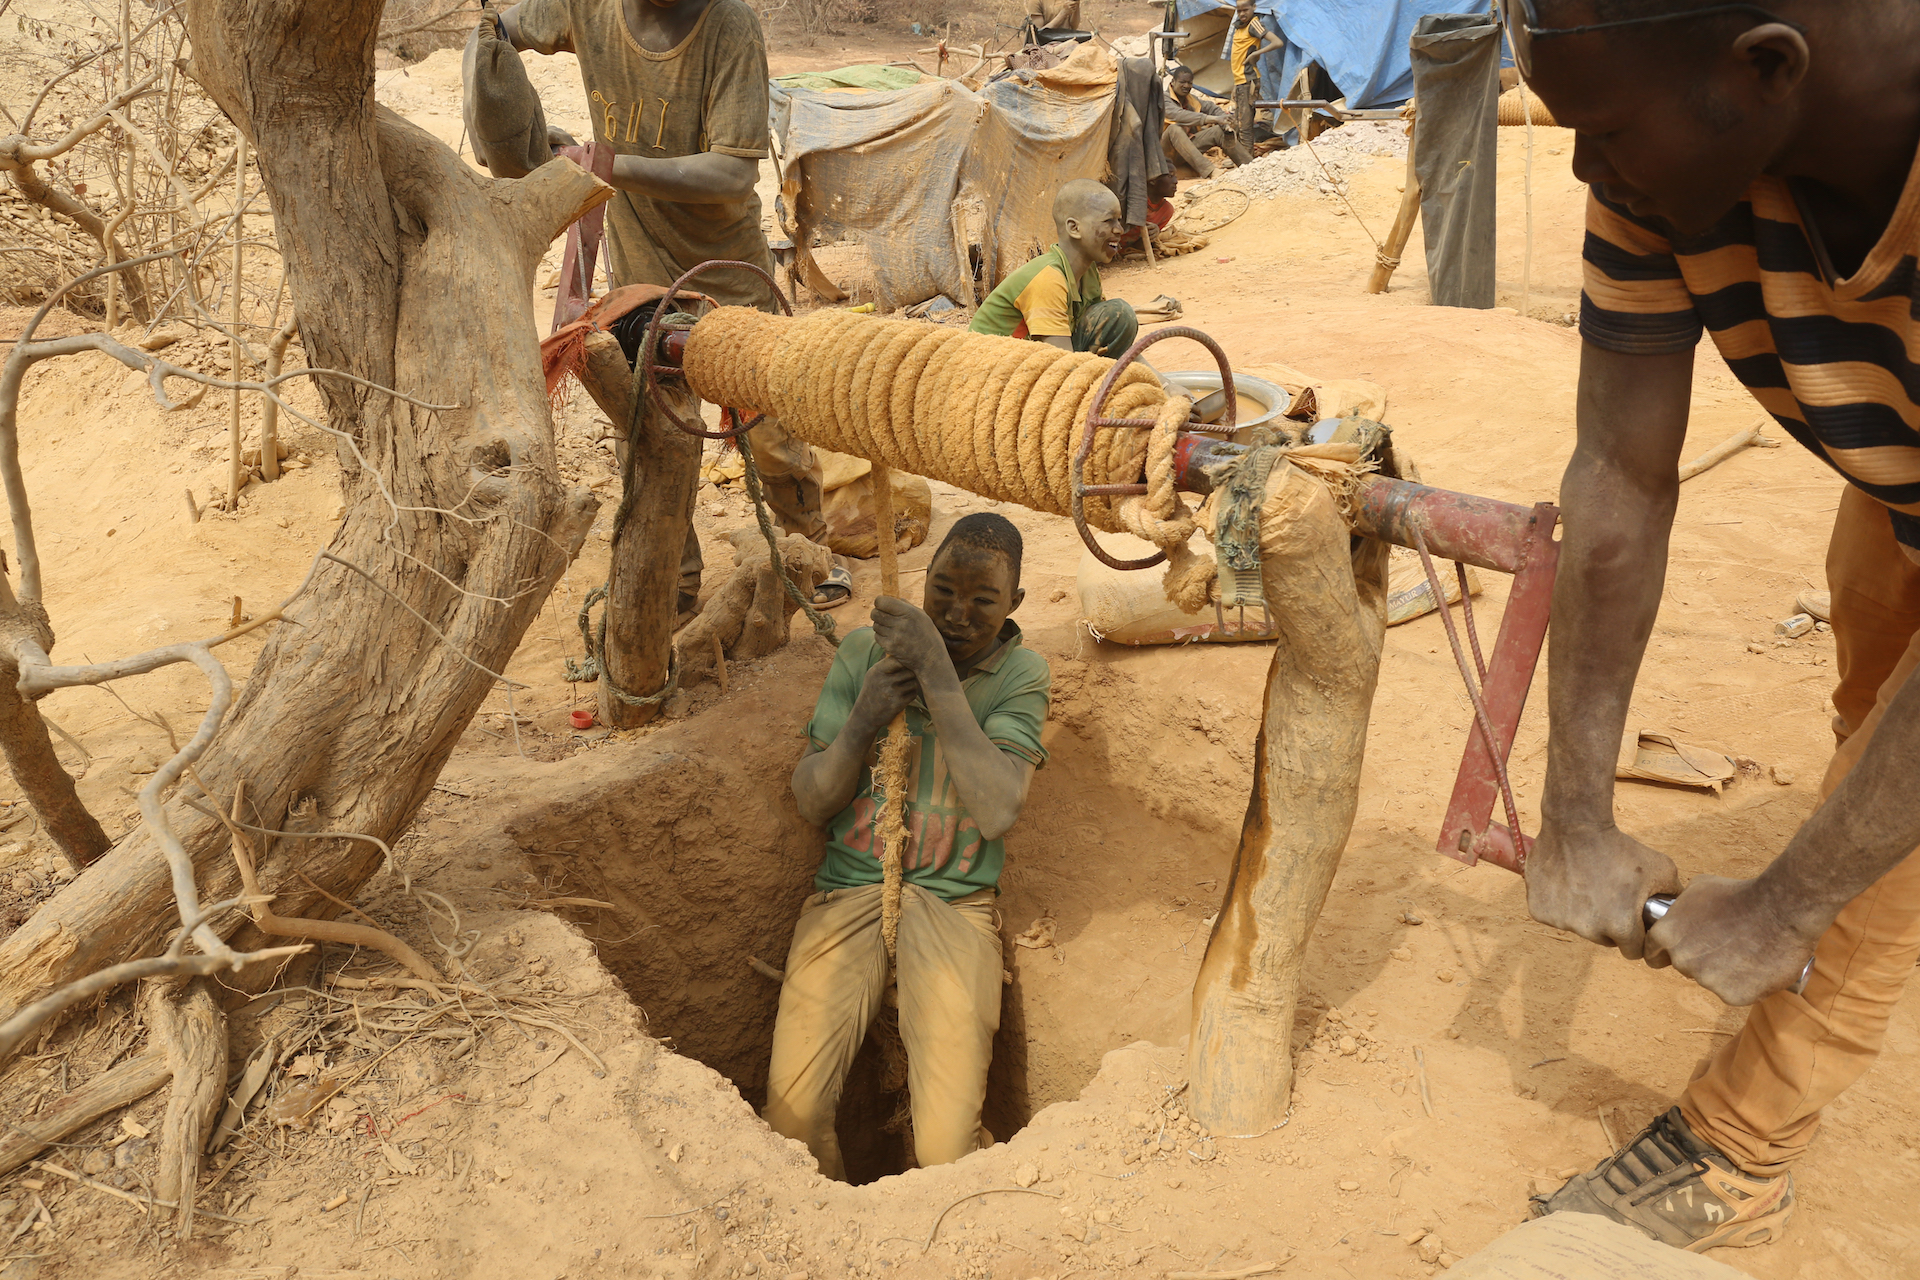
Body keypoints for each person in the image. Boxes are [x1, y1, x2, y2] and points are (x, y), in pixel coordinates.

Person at [1509, 0, 1920, 1254]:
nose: (1583, 165)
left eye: (1607, 130)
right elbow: (1620, 474)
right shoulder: (1666, 154)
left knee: (1870, 834)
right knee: (1878, 732)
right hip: (1896, 490)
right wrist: (1576, 811)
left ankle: (1740, 1149)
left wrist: (1792, 900)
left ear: (1767, 68)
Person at [494, 0, 854, 610]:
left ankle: (809, 549)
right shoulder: (588, 10)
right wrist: (497, 85)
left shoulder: (728, 28)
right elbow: (501, 27)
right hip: (640, 280)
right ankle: (674, 578)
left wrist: (605, 166)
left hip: (725, 276)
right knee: (648, 433)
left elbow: (732, 176)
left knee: (766, 427)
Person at [762, 513, 1050, 1178]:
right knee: (791, 1126)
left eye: (983, 601)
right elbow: (811, 798)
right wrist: (863, 718)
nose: (956, 614)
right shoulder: (864, 653)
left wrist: (936, 678)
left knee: (946, 1152)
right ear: (922, 583)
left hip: (954, 904)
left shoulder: (1021, 675)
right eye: (943, 591)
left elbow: (997, 805)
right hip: (851, 889)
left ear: (1015, 606)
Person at [968, 179, 1138, 356]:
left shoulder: (1088, 274)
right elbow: (1061, 364)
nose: (1119, 229)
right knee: (1119, 314)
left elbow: (1121, 348)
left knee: (1117, 318)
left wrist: (1160, 382)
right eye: (1109, 221)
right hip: (991, 368)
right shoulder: (1048, 279)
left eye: (1119, 220)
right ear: (1074, 228)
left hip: (1025, 361)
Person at [1162, 64, 1253, 178]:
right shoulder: (1163, 98)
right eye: (1182, 82)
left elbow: (1211, 107)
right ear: (1173, 82)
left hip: (1185, 150)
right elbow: (1179, 115)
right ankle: (1210, 171)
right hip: (1164, 153)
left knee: (1218, 131)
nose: (1186, 86)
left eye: (1189, 83)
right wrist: (1213, 119)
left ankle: (1251, 167)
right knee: (1174, 129)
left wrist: (1225, 121)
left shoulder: (1191, 100)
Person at [1228, 0, 1283, 150]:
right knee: (1238, 121)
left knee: (1245, 125)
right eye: (1239, 11)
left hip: (1248, 81)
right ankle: (1241, 157)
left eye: (1245, 10)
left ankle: (1245, 161)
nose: (1242, 14)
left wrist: (1256, 54)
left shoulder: (1254, 24)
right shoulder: (1239, 27)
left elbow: (1277, 42)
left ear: (1254, 8)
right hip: (1240, 81)